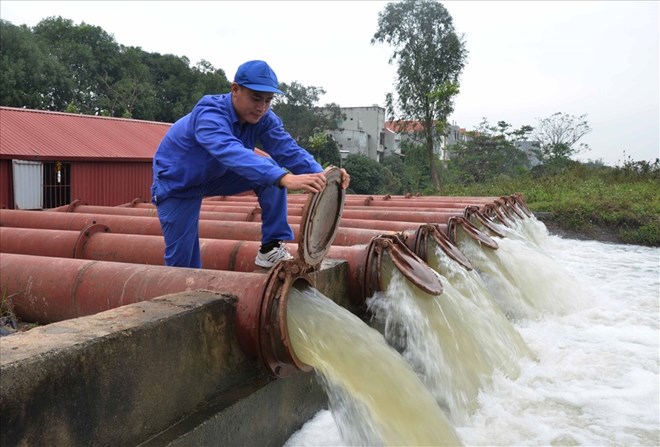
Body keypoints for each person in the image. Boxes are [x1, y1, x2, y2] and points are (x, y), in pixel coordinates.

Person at [151, 60, 350, 269]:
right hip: (178, 183)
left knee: (270, 172)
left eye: (268, 100)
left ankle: (271, 247)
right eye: (256, 98)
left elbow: (286, 148)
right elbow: (230, 151)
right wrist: (284, 178)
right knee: (183, 262)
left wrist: (325, 176)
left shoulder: (263, 118)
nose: (261, 108)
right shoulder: (210, 113)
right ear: (235, 89)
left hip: (216, 175)